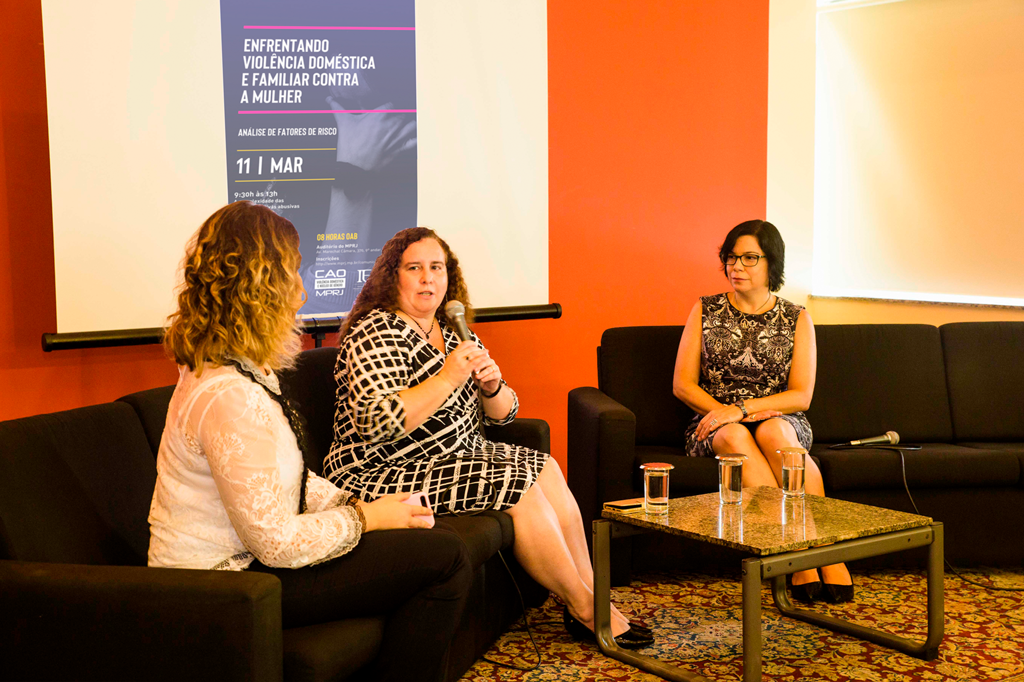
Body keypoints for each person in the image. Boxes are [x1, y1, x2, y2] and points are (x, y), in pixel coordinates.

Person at [148, 202, 472, 682]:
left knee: (434, 543)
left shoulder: (240, 368)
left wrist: (355, 502)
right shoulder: (228, 395)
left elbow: (287, 476)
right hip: (226, 588)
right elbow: (275, 543)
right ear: (258, 289)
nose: (301, 294)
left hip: (254, 568)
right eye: (292, 276)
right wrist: (367, 518)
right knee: (445, 559)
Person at [324, 227, 655, 648]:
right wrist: (449, 377)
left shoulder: (453, 330)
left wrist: (493, 387)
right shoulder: (375, 331)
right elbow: (377, 424)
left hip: (454, 456)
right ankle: (585, 609)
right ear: (393, 277)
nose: (428, 279)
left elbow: (504, 415)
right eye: (414, 268)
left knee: (545, 466)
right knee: (517, 485)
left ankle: (594, 596)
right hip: (382, 470)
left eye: (437, 268)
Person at [672, 219, 854, 603]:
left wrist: (743, 409)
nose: (736, 266)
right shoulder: (705, 309)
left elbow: (801, 396)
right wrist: (726, 414)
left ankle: (829, 551)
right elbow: (683, 385)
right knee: (734, 435)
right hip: (715, 420)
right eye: (731, 257)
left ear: (773, 262)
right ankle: (799, 554)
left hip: (778, 417)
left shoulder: (797, 317)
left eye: (749, 258)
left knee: (775, 432)